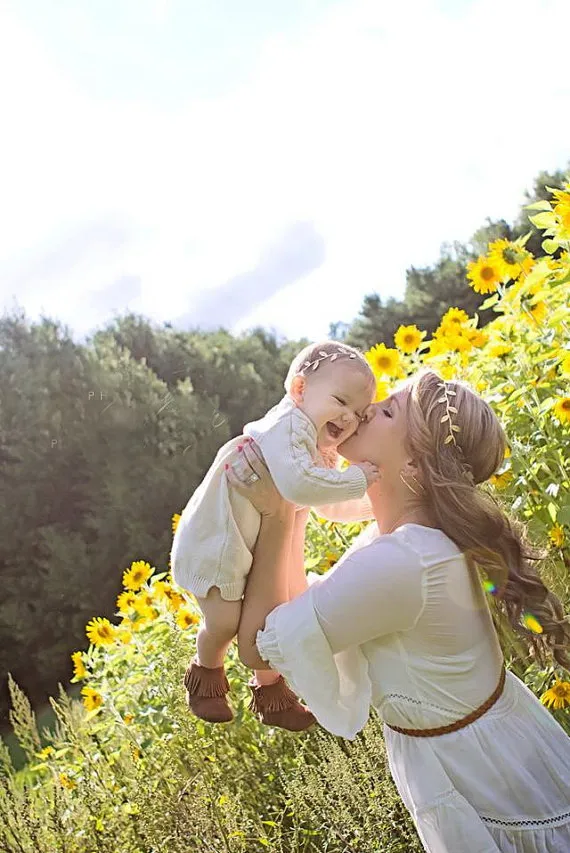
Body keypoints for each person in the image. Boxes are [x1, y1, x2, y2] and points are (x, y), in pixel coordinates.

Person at [229, 368, 570, 853]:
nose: (367, 408)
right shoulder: (402, 542)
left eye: (389, 410)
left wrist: (275, 508)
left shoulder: (404, 562)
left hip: (483, 773)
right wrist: (297, 500)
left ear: (413, 467)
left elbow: (259, 644)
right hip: (485, 753)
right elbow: (302, 608)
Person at [170, 340, 380, 731]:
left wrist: (377, 504)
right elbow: (301, 486)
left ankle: (272, 697)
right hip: (215, 546)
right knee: (224, 623)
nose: (349, 417)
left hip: (248, 543)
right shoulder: (288, 428)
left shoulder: (314, 443)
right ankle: (206, 677)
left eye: (359, 412)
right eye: (341, 401)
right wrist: (356, 479)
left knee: (271, 618)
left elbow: (327, 504)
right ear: (300, 390)